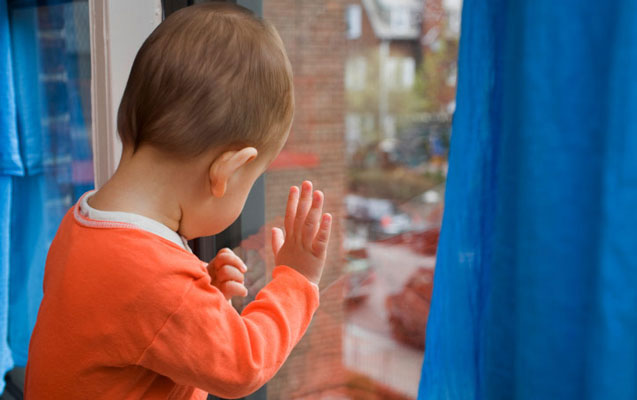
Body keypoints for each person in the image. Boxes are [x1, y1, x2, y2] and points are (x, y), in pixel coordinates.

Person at [24, 3, 332, 399]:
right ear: (226, 172)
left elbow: (129, 324)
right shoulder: (157, 284)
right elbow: (245, 364)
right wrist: (297, 280)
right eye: (253, 181)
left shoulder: (81, 223)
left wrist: (201, 298)